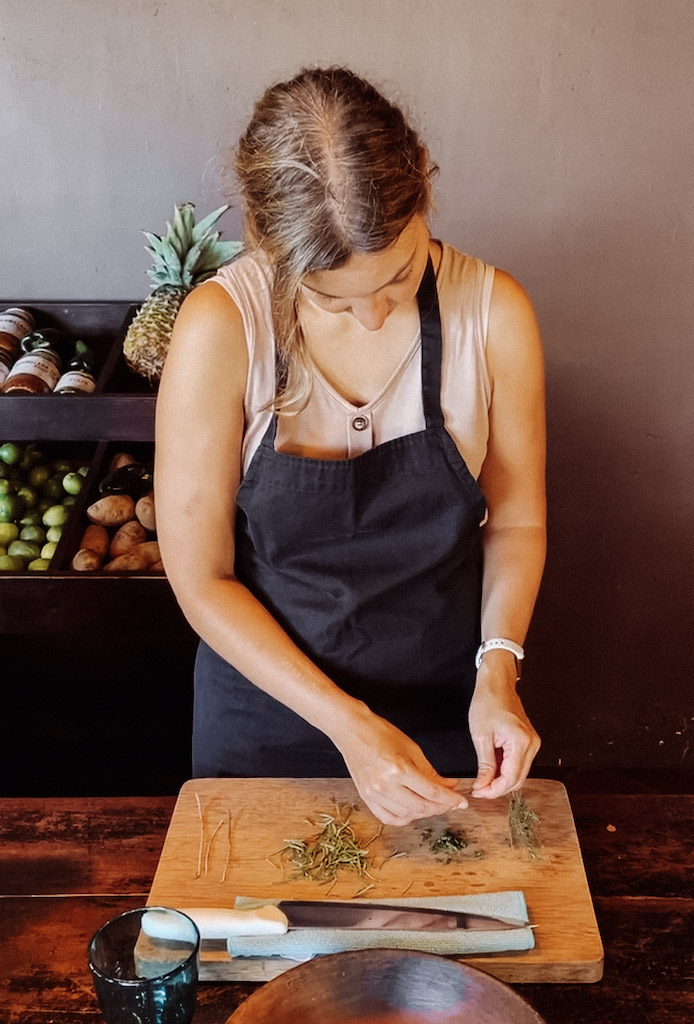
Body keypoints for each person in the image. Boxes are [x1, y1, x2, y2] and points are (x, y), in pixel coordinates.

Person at [155, 66, 546, 827]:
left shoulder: (495, 315)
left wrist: (499, 668)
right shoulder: (220, 329)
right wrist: (346, 724)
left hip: (446, 716)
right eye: (329, 297)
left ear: (423, 195)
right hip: (265, 724)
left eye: (398, 278)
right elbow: (201, 577)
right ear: (269, 243)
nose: (370, 317)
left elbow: (517, 522)